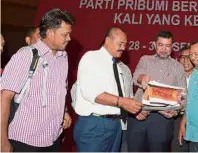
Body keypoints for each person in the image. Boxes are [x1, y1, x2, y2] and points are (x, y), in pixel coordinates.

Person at [1, 8, 74, 152]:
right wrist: (2, 140)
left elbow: (58, 92)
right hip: (25, 140)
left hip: (53, 139)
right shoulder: (26, 56)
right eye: (65, 34)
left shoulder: (63, 57)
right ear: (49, 33)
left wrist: (63, 112)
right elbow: (4, 97)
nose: (69, 38)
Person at [72, 27, 143, 152]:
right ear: (107, 41)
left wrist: (134, 109)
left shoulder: (119, 67)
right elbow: (91, 93)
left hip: (116, 126)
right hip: (95, 124)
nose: (123, 48)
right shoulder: (91, 58)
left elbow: (123, 98)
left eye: (125, 44)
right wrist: (123, 102)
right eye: (120, 44)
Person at [128, 30, 186, 152]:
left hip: (162, 120)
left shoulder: (178, 67)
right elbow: (136, 76)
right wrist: (142, 78)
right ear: (155, 44)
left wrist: (175, 113)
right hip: (139, 116)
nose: (164, 49)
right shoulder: (145, 60)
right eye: (160, 45)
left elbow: (183, 96)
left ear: (172, 46)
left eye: (168, 46)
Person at [172, 45, 193, 152]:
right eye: (182, 57)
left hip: (195, 121)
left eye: (189, 57)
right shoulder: (172, 78)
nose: (185, 61)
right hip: (177, 118)